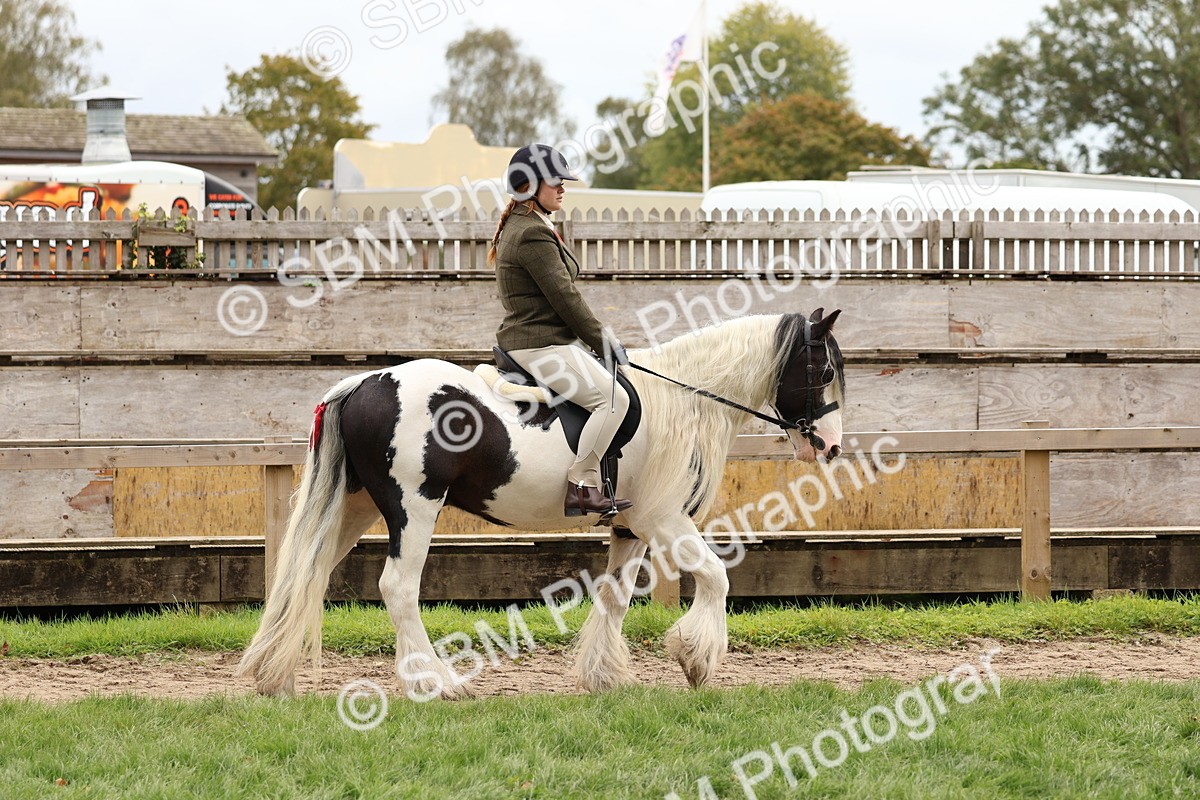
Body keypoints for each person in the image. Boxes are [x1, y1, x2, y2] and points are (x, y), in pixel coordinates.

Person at [490, 144, 633, 517]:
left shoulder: (530, 225)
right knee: (613, 401)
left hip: (542, 339)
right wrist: (602, 338)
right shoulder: (530, 234)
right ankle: (583, 485)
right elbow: (565, 297)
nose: (562, 188)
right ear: (528, 186)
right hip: (541, 342)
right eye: (555, 182)